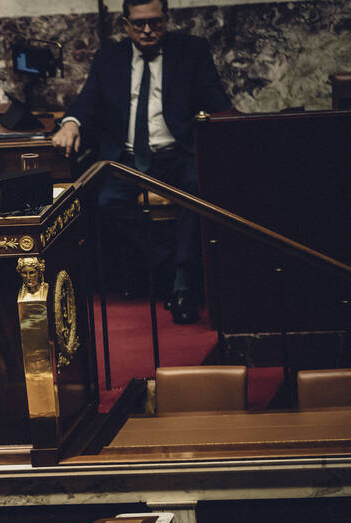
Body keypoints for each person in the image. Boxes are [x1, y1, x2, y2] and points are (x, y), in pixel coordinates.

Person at [50, 0, 230, 324]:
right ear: (125, 23)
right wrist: (71, 123)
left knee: (197, 188)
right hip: (128, 159)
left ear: (166, 19)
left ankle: (183, 287)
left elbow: (217, 101)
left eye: (155, 23)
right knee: (105, 202)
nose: (147, 30)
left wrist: (235, 126)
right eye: (139, 24)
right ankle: (173, 268)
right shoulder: (109, 58)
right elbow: (87, 100)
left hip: (178, 154)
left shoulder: (191, 51)